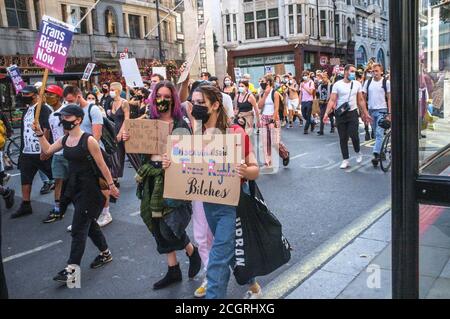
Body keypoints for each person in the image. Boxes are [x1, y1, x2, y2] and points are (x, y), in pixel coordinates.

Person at [176, 84, 261, 299]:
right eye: (193, 102)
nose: (195, 106)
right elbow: (186, 167)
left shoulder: (235, 133)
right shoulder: (196, 135)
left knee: (217, 260)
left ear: (215, 105)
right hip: (208, 205)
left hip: (230, 207)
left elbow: (255, 170)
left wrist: (244, 169)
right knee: (229, 255)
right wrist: (172, 161)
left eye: (201, 103)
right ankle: (253, 287)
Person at [123, 81, 201, 290]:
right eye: (160, 96)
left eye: (167, 97)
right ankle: (173, 269)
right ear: (153, 99)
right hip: (151, 178)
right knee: (157, 225)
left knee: (171, 225)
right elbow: (139, 151)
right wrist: (130, 137)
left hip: (172, 180)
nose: (163, 100)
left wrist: (173, 162)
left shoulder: (180, 124)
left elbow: (188, 157)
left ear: (173, 99)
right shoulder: (148, 122)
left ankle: (192, 252)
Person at [33, 104, 119, 285]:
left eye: (67, 117)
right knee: (89, 224)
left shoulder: (89, 140)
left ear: (78, 120)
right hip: (75, 188)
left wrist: (111, 186)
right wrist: (40, 135)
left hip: (91, 191)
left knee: (79, 230)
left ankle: (72, 270)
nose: (63, 120)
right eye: (62, 117)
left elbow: (103, 165)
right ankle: (106, 253)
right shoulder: (65, 139)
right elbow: (48, 151)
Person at [63, 85, 113, 228]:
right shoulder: (70, 112)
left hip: (94, 153)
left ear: (79, 96)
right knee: (81, 188)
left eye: (71, 100)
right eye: (66, 101)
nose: (69, 104)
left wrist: (86, 151)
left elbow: (96, 135)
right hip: (79, 156)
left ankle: (106, 213)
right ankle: (82, 217)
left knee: (102, 184)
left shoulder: (93, 109)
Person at [12, 85, 53, 219]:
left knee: (56, 176)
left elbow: (46, 128)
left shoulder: (43, 109)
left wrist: (45, 149)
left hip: (40, 151)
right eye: (23, 95)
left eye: (27, 95)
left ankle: (61, 202)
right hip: (27, 152)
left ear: (35, 95)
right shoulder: (27, 110)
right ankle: (26, 204)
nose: (24, 97)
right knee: (25, 179)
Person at [324, 64, 372, 169]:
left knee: (354, 135)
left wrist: (365, 113)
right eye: (351, 71)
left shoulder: (357, 84)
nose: (353, 73)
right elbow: (332, 100)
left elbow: (360, 100)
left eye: (354, 72)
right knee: (343, 138)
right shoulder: (337, 84)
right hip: (340, 114)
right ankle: (345, 159)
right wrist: (326, 113)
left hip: (352, 113)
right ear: (346, 72)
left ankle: (358, 151)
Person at [42, 84, 70, 223]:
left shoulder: (66, 111)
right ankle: (58, 209)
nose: (47, 97)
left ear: (59, 97)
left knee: (75, 182)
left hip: (70, 153)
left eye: (51, 94)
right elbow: (51, 134)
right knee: (58, 181)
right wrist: (47, 150)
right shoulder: (51, 115)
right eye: (46, 94)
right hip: (57, 154)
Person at [362, 63, 391, 168]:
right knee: (375, 133)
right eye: (373, 71)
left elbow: (389, 98)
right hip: (371, 111)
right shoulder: (368, 82)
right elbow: (363, 98)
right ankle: (381, 152)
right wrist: (364, 112)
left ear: (381, 71)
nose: (375, 73)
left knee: (379, 133)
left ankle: (375, 154)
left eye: (376, 71)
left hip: (382, 111)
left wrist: (389, 113)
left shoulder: (386, 82)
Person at [108, 82, 130, 184]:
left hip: (123, 131)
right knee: (115, 154)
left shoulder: (124, 102)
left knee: (128, 154)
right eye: (110, 89)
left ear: (118, 91)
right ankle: (115, 176)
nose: (110, 91)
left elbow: (127, 119)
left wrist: (121, 133)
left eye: (113, 90)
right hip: (113, 131)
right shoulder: (112, 103)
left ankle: (141, 173)